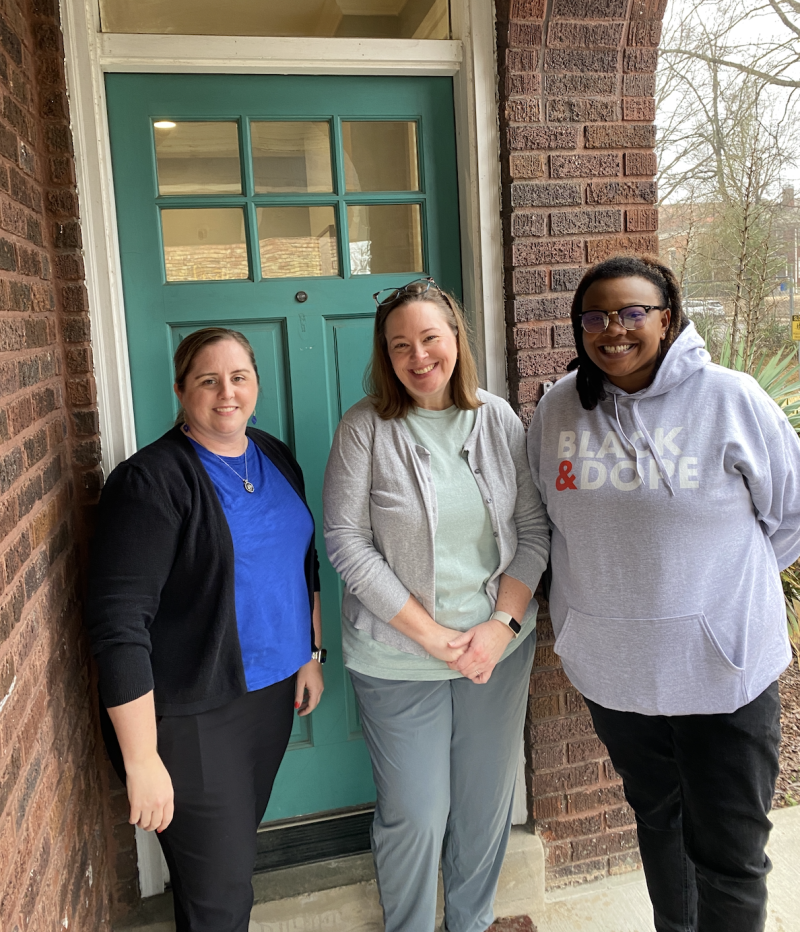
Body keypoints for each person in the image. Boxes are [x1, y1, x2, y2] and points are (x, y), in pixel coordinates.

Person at [527, 254, 800, 932]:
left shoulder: (730, 398)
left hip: (722, 672)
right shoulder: (560, 408)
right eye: (595, 317)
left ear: (667, 319)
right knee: (659, 824)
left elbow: (790, 517)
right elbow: (547, 517)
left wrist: (714, 599)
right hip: (617, 675)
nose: (612, 329)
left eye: (632, 313)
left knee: (730, 856)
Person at [323, 278, 549, 932]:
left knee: (483, 807)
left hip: (495, 651)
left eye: (430, 339)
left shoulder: (499, 419)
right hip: (398, 657)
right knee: (416, 814)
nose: (418, 357)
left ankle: (470, 923)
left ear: (455, 340)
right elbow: (345, 541)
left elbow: (534, 532)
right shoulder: (365, 428)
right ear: (385, 356)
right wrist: (430, 636)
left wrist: (500, 627)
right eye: (400, 346)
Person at [85, 328, 325, 932]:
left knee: (228, 869)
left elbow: (303, 559)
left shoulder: (271, 453)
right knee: (219, 900)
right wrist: (141, 760)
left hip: (269, 699)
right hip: (192, 717)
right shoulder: (149, 483)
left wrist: (310, 653)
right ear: (180, 389)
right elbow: (119, 626)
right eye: (207, 380)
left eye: (239, 377)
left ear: (256, 385)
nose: (226, 392)